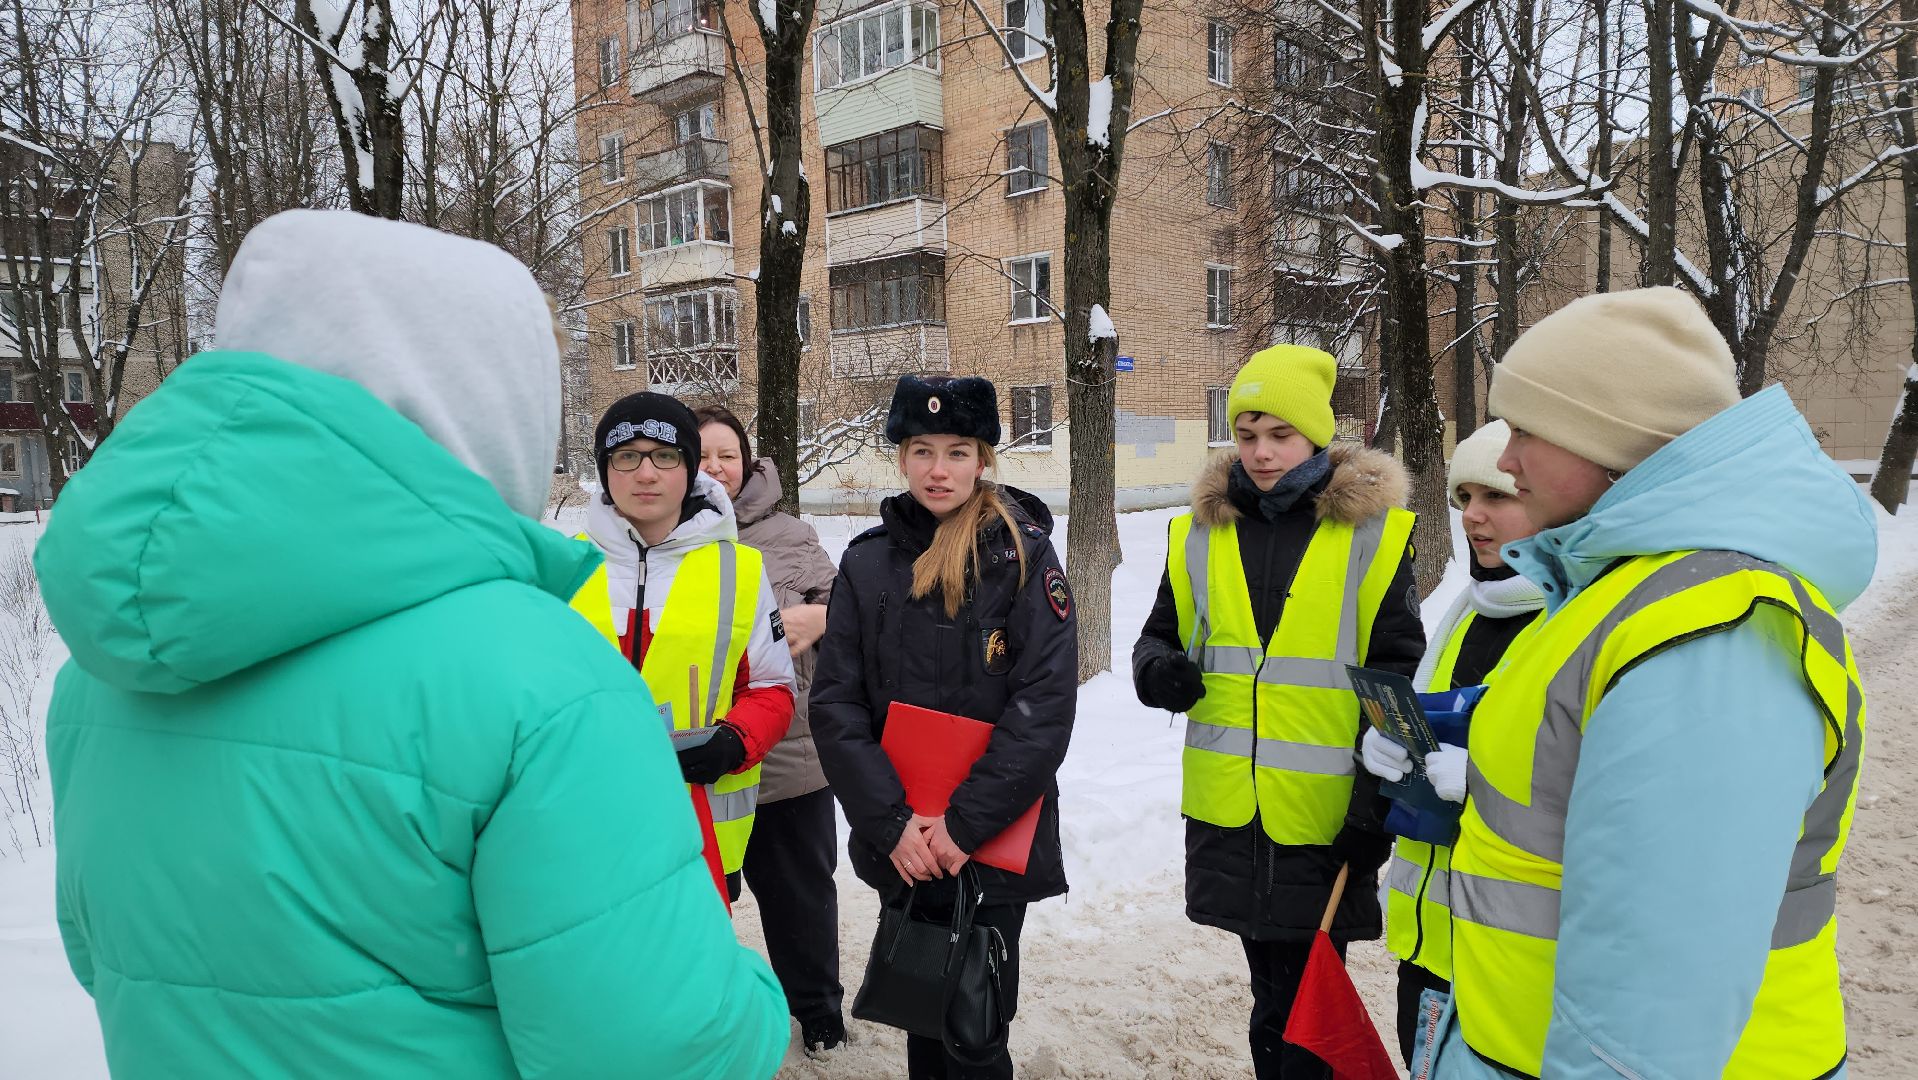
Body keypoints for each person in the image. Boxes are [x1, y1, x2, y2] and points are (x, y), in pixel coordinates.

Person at [34, 209, 788, 1078]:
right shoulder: (540, 679)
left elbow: (105, 961)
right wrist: (748, 1000)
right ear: (486, 402)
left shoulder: (101, 678)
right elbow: (656, 1053)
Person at [1424, 287, 1876, 1079]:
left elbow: (1654, 1006)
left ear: (1607, 438)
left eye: (1527, 429)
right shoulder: (1621, 598)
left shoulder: (1711, 630)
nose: (1505, 457)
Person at [1131, 343, 1425, 1080]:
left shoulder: (1372, 535)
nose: (1260, 454)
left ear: (1317, 436)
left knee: (1304, 1004)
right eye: (1248, 434)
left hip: (1325, 815)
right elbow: (1159, 636)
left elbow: (1396, 675)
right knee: (1273, 994)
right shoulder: (1200, 531)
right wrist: (1156, 673)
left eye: (1280, 435)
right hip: (1232, 809)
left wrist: (1375, 807)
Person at [810, 374, 1077, 1080]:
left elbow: (1042, 711)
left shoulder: (1020, 557)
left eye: (958, 451)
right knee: (920, 1016)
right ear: (900, 458)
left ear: (984, 458)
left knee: (975, 1027)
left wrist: (961, 828)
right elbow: (836, 706)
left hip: (986, 845)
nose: (938, 469)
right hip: (902, 844)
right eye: (922, 450)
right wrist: (892, 824)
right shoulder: (867, 563)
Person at [1356, 419, 1545, 1065]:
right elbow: (1436, 720)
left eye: (1497, 497)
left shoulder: (1569, 623)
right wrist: (1388, 753)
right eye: (1465, 498)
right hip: (1431, 939)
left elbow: (1586, 783)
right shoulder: (1468, 608)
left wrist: (1485, 780)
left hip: (1510, 951)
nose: (1474, 517)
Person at [569, 392, 796, 907]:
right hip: (582, 825)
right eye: (627, 456)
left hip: (700, 831)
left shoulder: (740, 571)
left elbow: (773, 688)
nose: (645, 474)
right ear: (605, 468)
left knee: (687, 977)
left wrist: (736, 743)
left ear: (689, 468)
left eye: (664, 456)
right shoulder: (566, 569)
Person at [695, 405, 847, 1053]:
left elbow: (853, 612)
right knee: (696, 908)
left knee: (800, 902)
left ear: (749, 462)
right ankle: (702, 1021)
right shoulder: (656, 540)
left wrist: (823, 618)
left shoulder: (790, 536)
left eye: (727, 454)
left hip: (789, 760)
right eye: (699, 454)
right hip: (695, 764)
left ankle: (819, 1017)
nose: (715, 467)